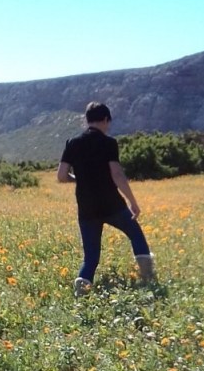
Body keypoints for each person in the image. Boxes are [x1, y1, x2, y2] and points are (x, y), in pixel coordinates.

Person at [57, 101, 155, 296]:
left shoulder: (72, 143)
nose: (108, 126)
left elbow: (61, 176)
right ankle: (148, 278)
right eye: (108, 122)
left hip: (86, 207)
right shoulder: (109, 143)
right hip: (112, 204)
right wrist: (133, 202)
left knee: (91, 257)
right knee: (136, 234)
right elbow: (117, 174)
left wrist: (80, 179)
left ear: (87, 120)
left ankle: (82, 290)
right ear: (104, 120)